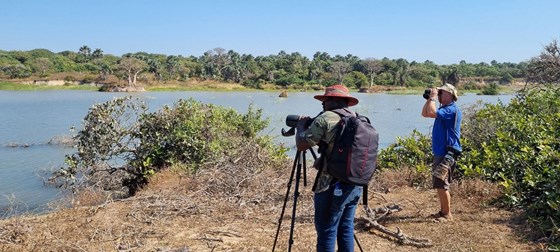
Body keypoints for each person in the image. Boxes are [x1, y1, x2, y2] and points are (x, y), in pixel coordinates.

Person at [295, 84, 362, 252]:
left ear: (334, 100)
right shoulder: (357, 118)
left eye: (325, 99)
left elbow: (302, 144)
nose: (322, 103)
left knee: (326, 229)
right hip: (354, 182)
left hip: (329, 184)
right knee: (346, 228)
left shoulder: (325, 118)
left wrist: (300, 128)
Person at [421, 83, 462, 222]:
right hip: (440, 151)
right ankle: (443, 211)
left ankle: (447, 214)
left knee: (442, 182)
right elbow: (425, 113)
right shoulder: (444, 109)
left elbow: (431, 112)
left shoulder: (451, 109)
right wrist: (429, 99)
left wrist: (432, 98)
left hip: (447, 152)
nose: (438, 95)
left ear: (450, 95)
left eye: (441, 93)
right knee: (439, 182)